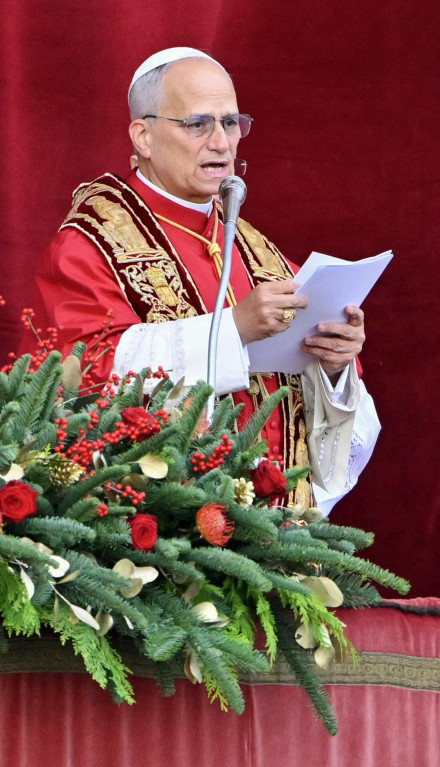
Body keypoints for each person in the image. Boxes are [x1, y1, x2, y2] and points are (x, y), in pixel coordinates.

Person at [35, 47, 378, 515]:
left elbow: (330, 415)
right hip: (159, 537)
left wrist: (335, 363)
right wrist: (234, 330)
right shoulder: (90, 245)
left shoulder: (260, 252)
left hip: (281, 532)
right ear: (144, 136)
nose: (222, 143)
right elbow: (88, 379)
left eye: (231, 123)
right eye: (198, 124)